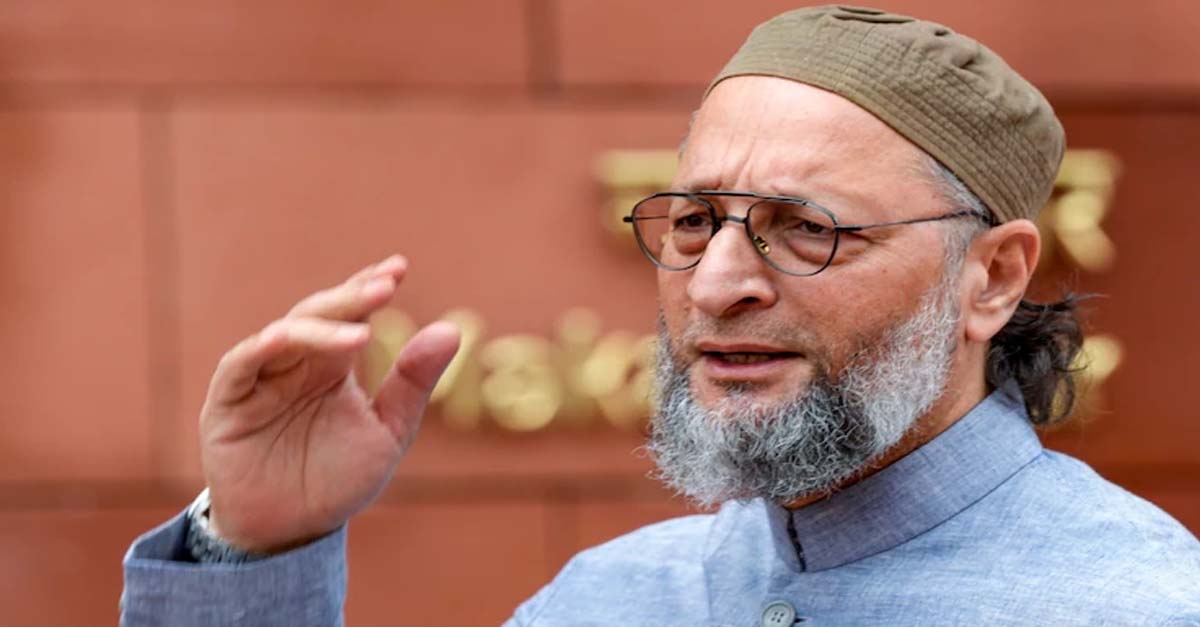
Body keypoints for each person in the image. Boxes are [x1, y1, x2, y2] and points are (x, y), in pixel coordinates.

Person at [121, 5, 1200, 626]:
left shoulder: (1138, 605)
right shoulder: (611, 601)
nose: (718, 283)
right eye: (692, 222)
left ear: (993, 278)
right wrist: (257, 549)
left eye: (805, 227)